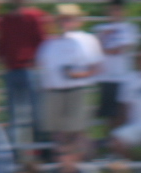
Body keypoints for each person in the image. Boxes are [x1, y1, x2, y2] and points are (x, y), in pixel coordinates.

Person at [37, 4, 103, 153]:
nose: (64, 22)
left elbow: (97, 68)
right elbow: (41, 68)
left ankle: (83, 164)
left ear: (78, 20)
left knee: (77, 132)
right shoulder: (48, 43)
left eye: (68, 19)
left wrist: (76, 75)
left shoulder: (87, 40)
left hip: (78, 90)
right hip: (53, 92)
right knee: (57, 134)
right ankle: (64, 166)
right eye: (61, 19)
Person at [0, 0, 49, 144]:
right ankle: (34, 149)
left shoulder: (10, 19)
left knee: (19, 114)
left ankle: (27, 149)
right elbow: (42, 39)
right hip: (22, 69)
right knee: (31, 112)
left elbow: (1, 46)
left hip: (19, 69)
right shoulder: (30, 16)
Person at [91, 0, 140, 129]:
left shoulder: (129, 28)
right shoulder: (99, 29)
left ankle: (123, 140)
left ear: (124, 12)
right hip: (106, 76)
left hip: (124, 77)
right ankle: (112, 141)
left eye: (118, 10)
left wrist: (106, 48)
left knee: (123, 111)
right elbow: (96, 48)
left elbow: (123, 48)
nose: (115, 13)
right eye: (112, 10)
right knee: (109, 114)